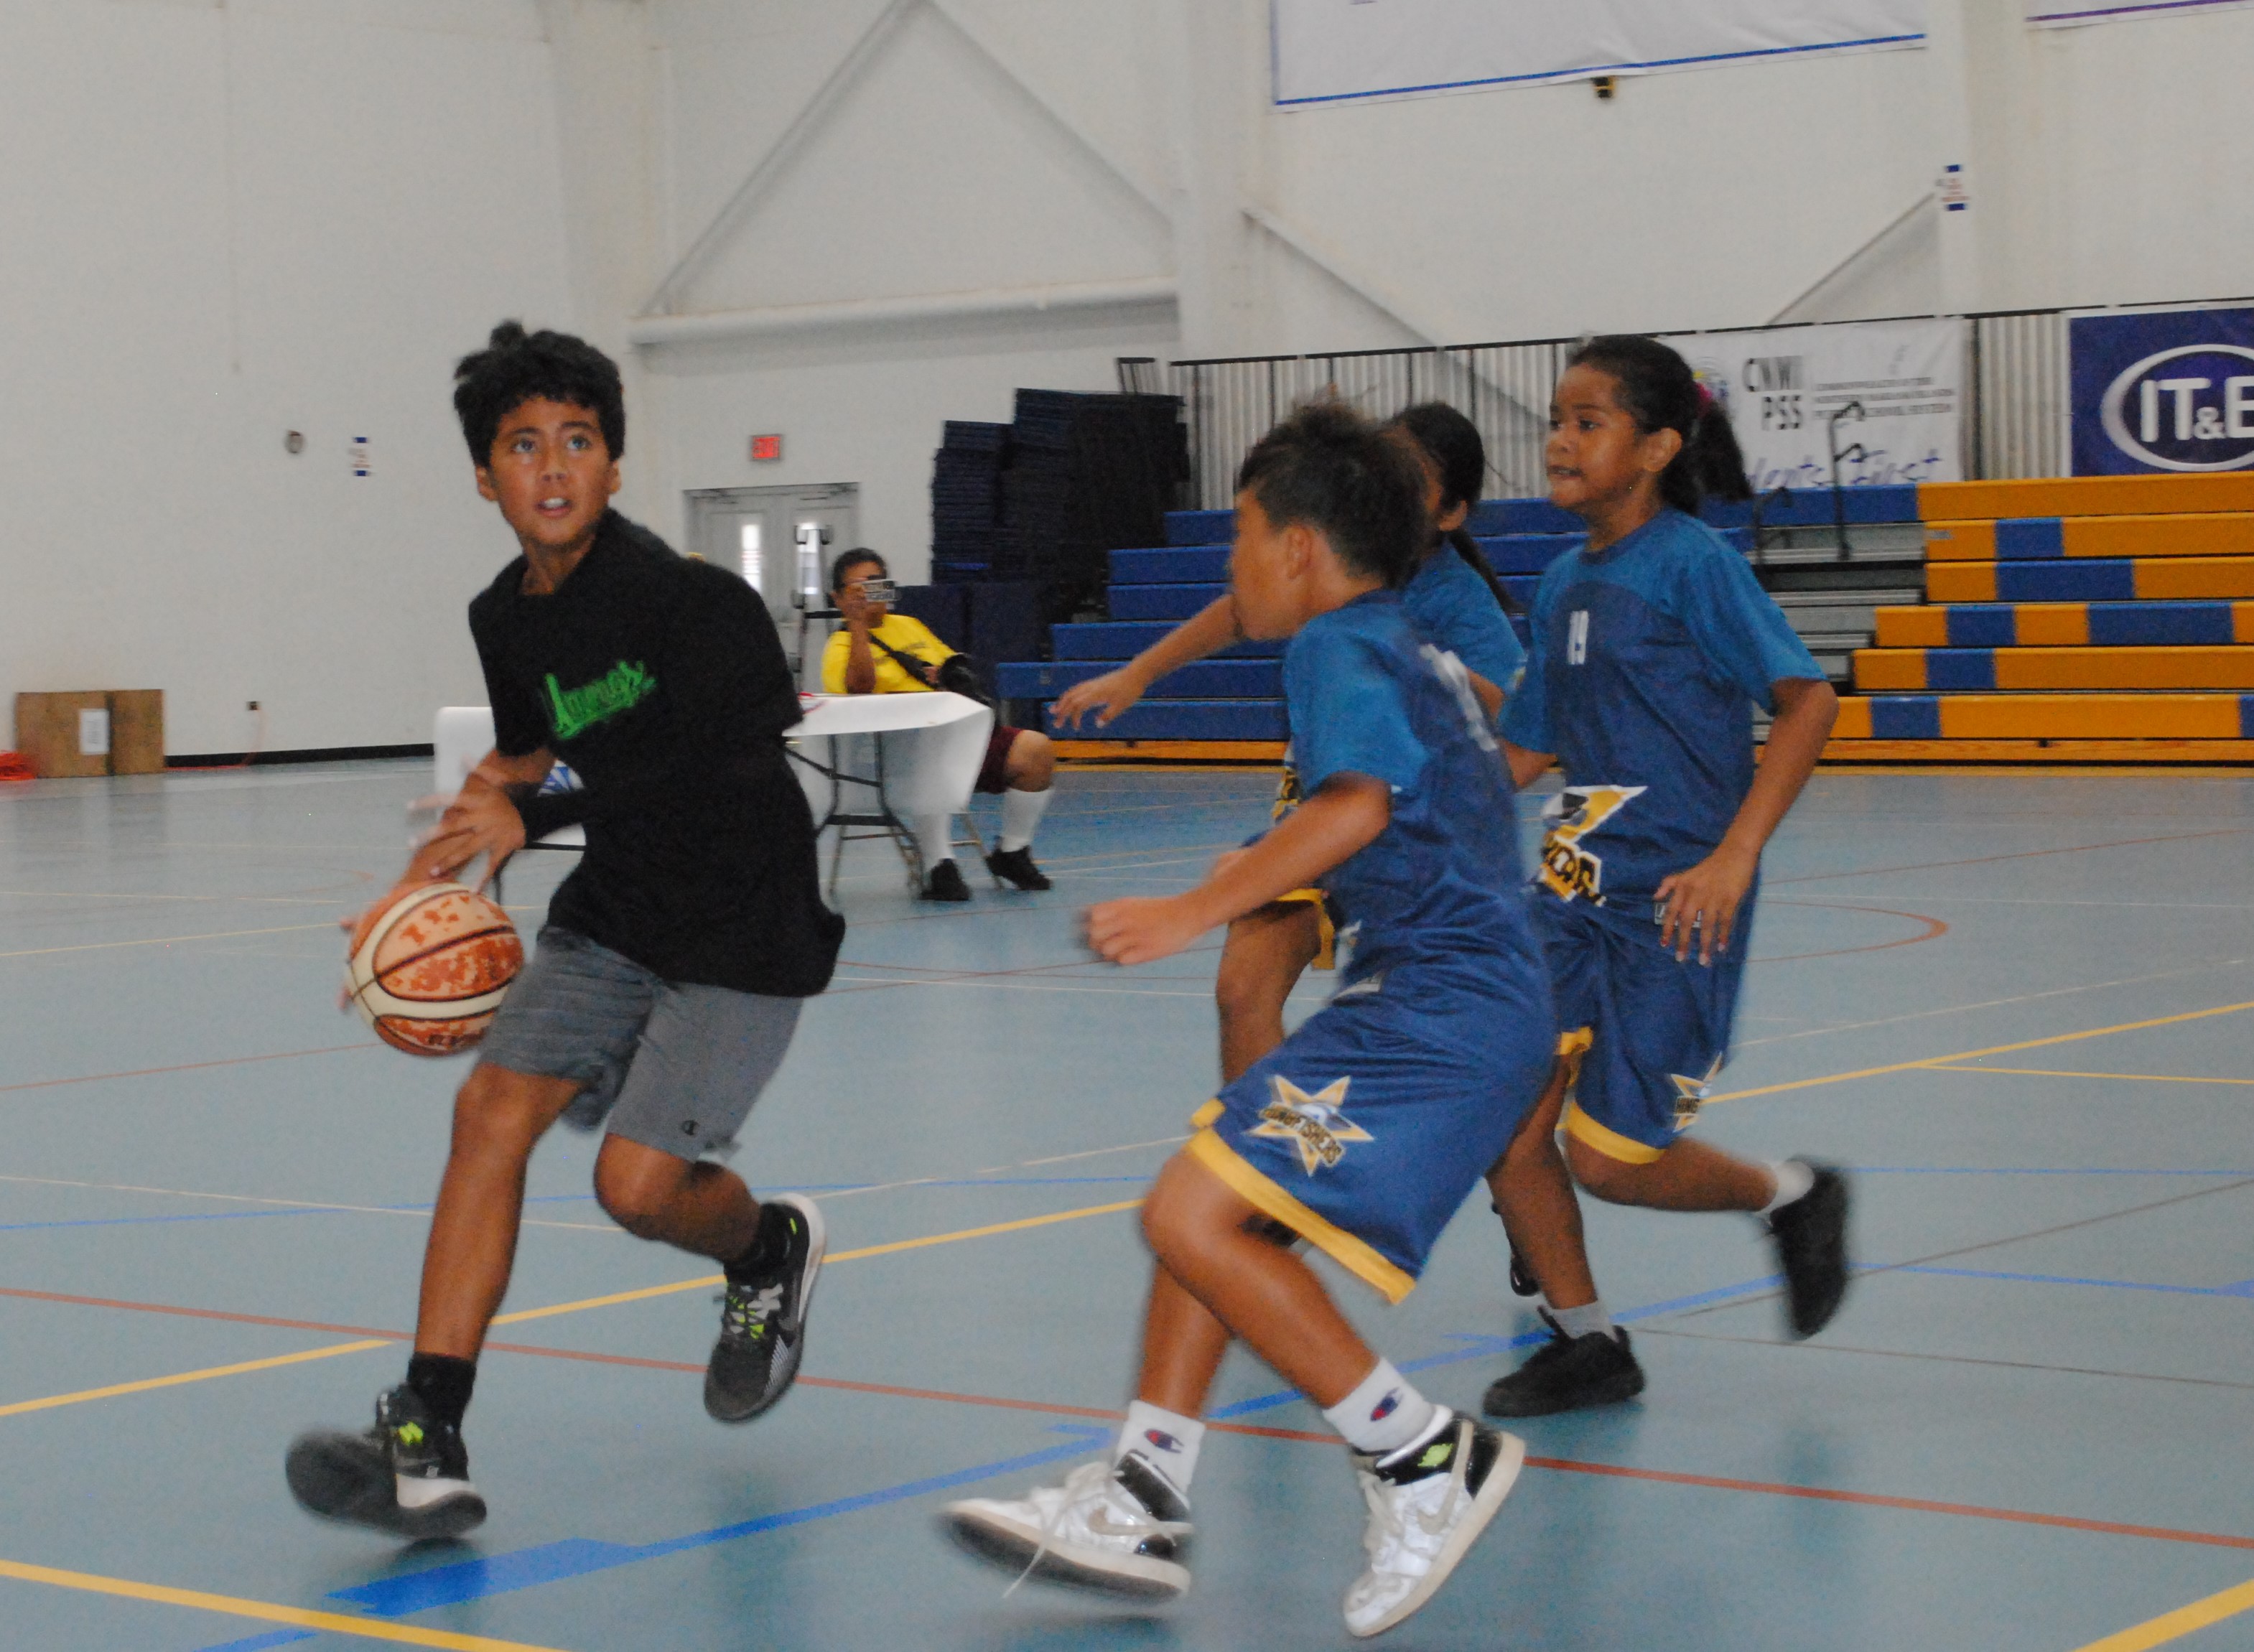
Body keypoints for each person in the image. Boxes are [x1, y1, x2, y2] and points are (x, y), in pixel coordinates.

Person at [942, 403, 1556, 1640]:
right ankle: (1141, 1487)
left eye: (1235, 546)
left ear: (1292, 550)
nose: (1227, 572)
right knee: (1211, 1202)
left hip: (1443, 1007)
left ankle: (1417, 1454)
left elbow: (1356, 808)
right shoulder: (1392, 637)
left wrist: (1194, 904)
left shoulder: (1334, 648)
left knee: (1182, 1208)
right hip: (1447, 996)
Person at [286, 322, 844, 1540]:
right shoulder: (508, 618)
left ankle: (761, 1251)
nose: (551, 466)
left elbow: (714, 767)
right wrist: (411, 891)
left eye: (577, 441)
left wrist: (534, 811)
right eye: (521, 445)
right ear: (485, 477)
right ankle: (424, 1431)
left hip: (743, 920)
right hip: (618, 910)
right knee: (487, 1114)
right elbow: (520, 759)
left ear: (615, 465)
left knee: (635, 1188)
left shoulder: (699, 605)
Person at [1477, 335, 1850, 1422]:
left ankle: (1792, 1195)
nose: (1557, 440)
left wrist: (1732, 853)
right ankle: (1585, 1340)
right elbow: (1529, 746)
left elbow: (1805, 701)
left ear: (1654, 447)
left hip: (1675, 896)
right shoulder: (1557, 583)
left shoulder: (1692, 563)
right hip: (1568, 885)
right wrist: (1400, 819)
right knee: (1505, 1124)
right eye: (1554, 418)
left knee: (1608, 1159)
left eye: (1585, 421)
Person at [1056, 403, 1526, 1081]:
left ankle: (1273, 1165)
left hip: (1397, 834)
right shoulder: (1329, 611)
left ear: (1449, 513)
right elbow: (1238, 611)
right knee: (1243, 988)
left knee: (1495, 1116)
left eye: (1409, 479)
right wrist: (1139, 672)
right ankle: (1266, 1157)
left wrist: (1425, 693)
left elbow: (1511, 715)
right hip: (1317, 812)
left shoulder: (1440, 605)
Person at [819, 549, 1055, 900]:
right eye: (860, 587)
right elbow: (859, 687)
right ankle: (937, 863)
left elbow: (954, 669)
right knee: (931, 737)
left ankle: (1012, 851)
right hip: (899, 754)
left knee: (1036, 749)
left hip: (961, 736)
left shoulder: (911, 626)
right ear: (839, 597)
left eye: (878, 582)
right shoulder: (839, 645)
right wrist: (856, 623)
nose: (872, 592)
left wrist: (949, 676)